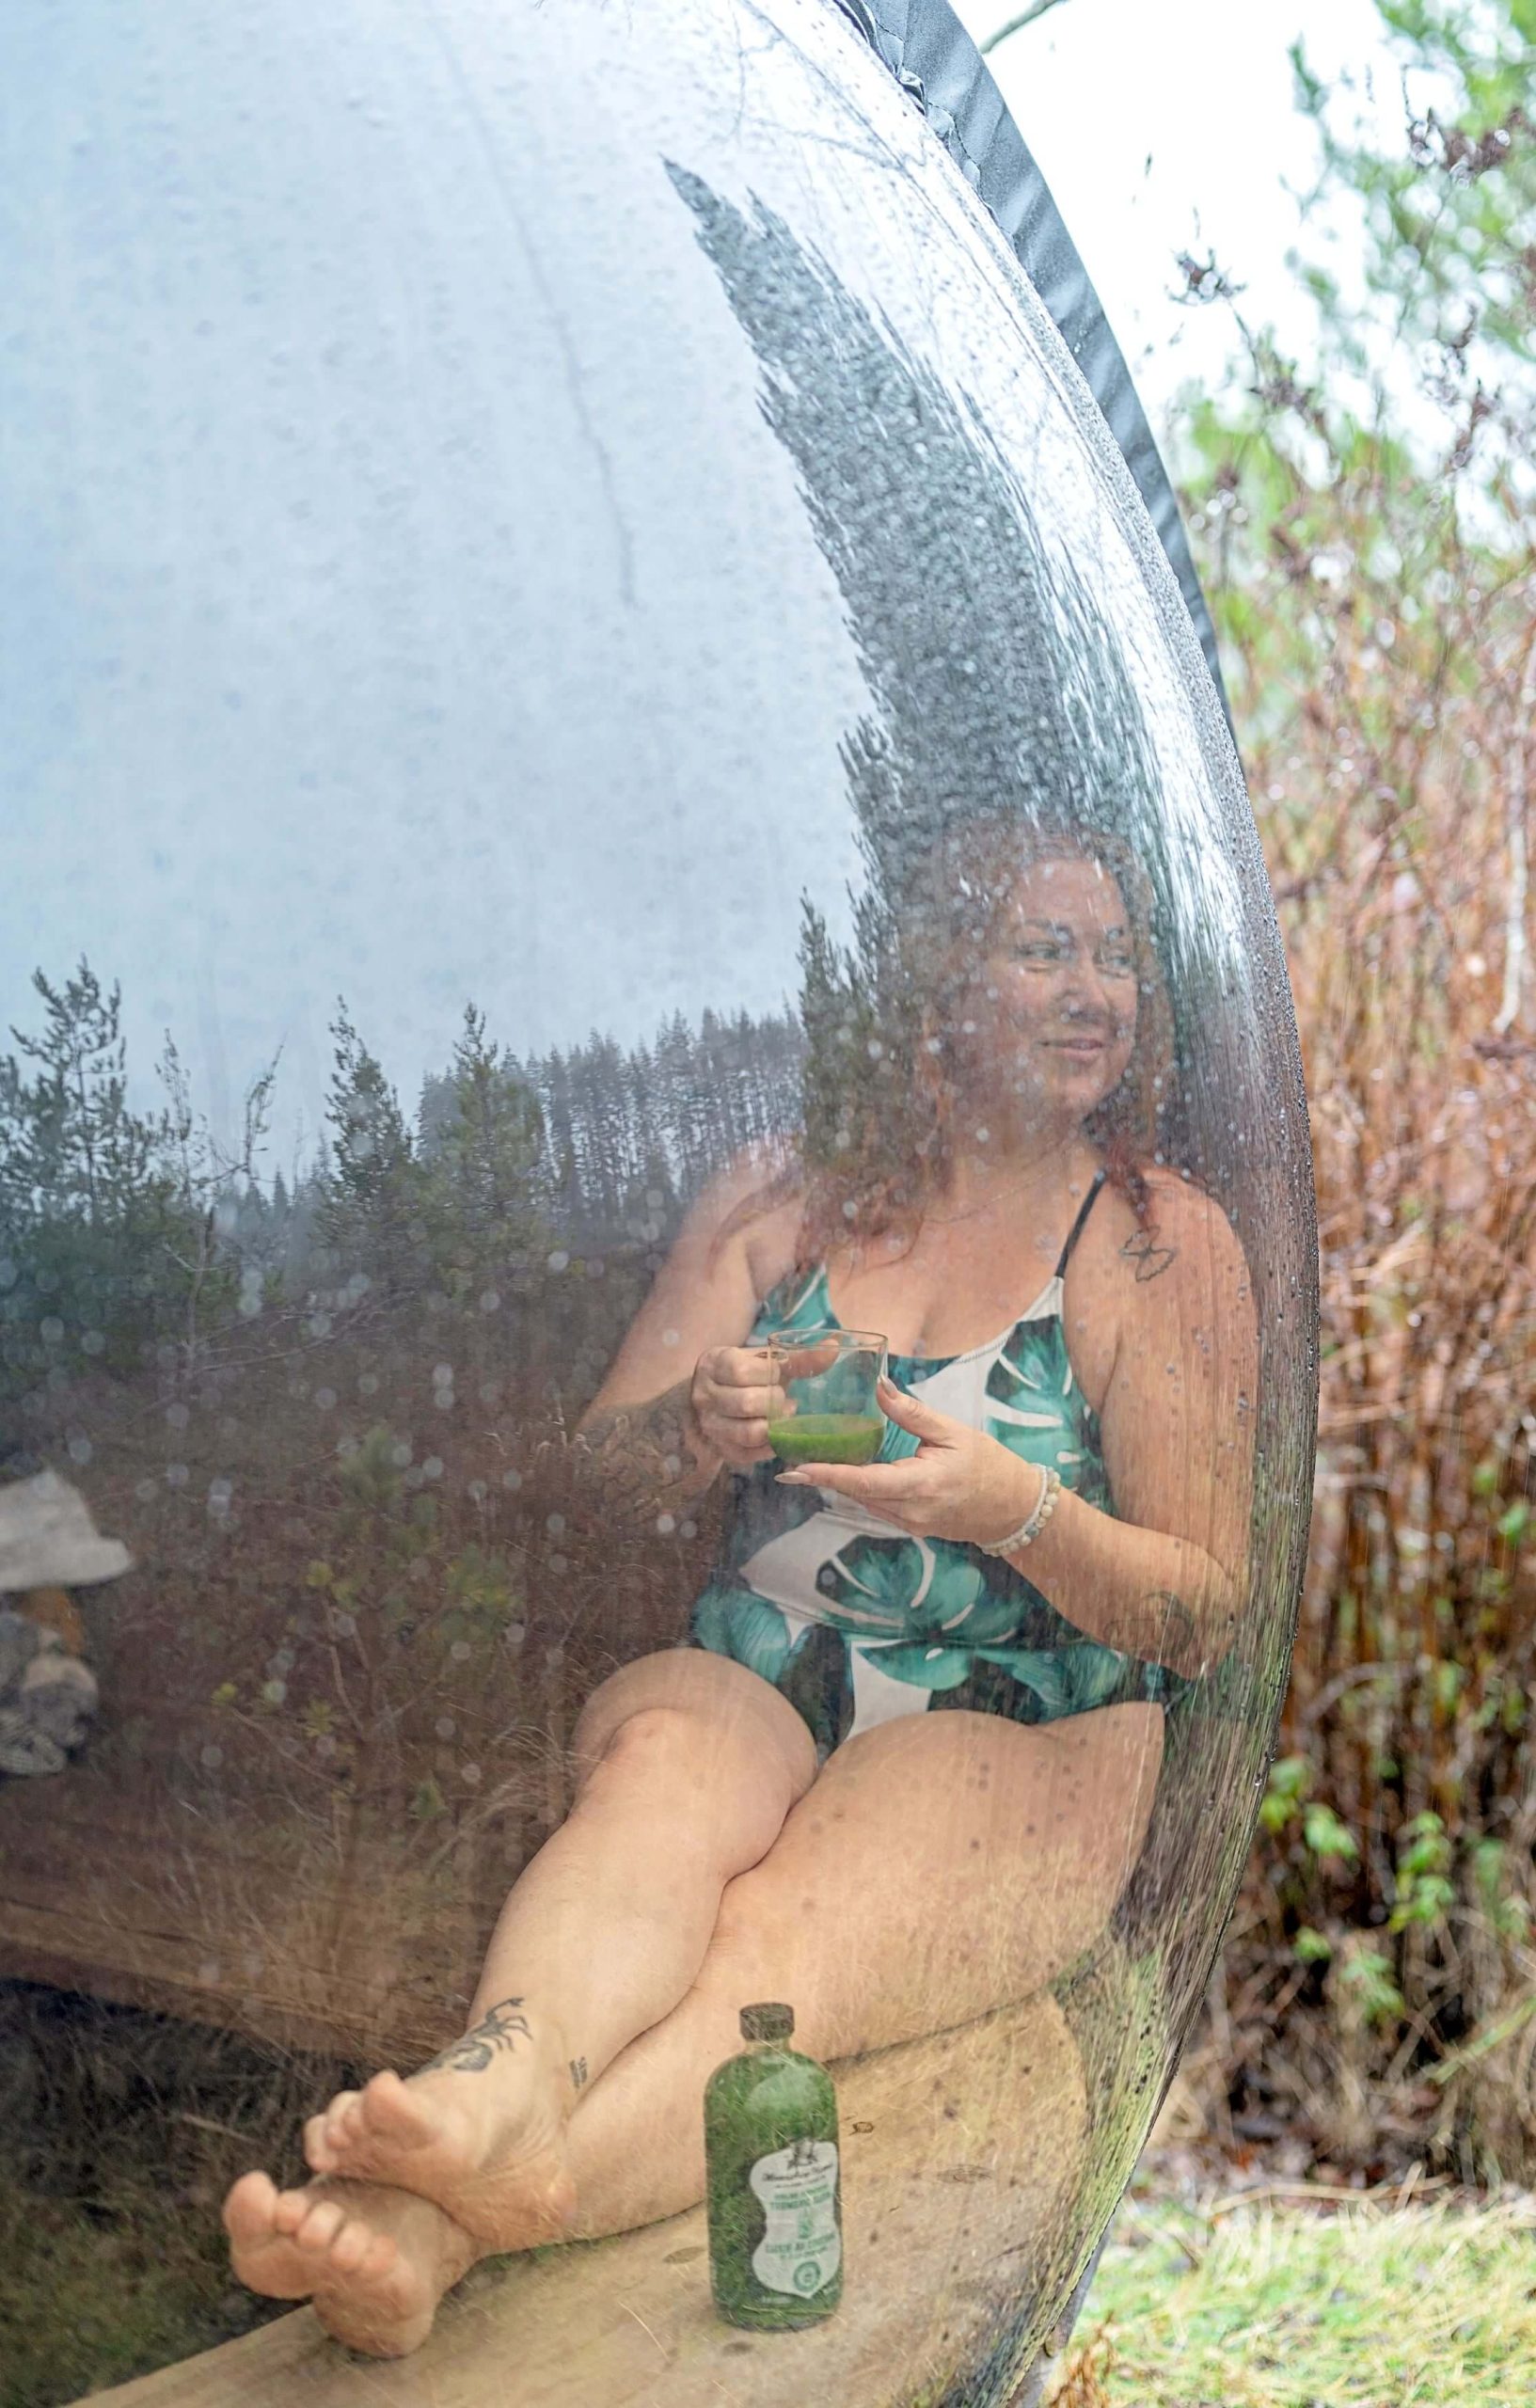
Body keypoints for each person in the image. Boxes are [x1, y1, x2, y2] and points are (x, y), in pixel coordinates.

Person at [223, 816, 1257, 2354]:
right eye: (1044, 950)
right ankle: (494, 2083)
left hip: (1026, 1735)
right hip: (763, 1668)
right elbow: (597, 1474)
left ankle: (432, 2216)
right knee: (654, 1781)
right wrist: (690, 1430)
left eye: (1116, 957)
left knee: (769, 1947)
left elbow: (1199, 1608)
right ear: (930, 985)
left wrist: (1012, 1506)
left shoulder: (1155, 1246)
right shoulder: (781, 1196)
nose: (1093, 990)